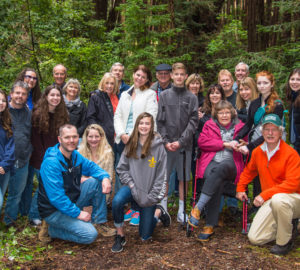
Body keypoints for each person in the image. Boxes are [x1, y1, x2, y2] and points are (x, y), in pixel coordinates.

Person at [236, 114, 300, 255]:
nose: (270, 133)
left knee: (279, 200)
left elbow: (293, 184)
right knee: (255, 238)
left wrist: (264, 195)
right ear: (262, 132)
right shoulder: (258, 152)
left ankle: (284, 242)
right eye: (266, 129)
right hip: (271, 200)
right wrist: (240, 188)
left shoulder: (291, 154)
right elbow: (248, 172)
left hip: (293, 199)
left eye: (274, 129)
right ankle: (288, 226)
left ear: (280, 132)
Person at [37, 124, 112, 244]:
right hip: (53, 209)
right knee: (90, 235)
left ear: (78, 138)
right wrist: (78, 214)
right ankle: (51, 229)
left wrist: (105, 177)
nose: (71, 141)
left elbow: (92, 167)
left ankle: (98, 222)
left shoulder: (75, 156)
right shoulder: (51, 163)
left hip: (71, 200)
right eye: (67, 137)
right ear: (59, 139)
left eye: (74, 137)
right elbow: (57, 198)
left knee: (96, 181)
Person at [111, 112, 170, 252]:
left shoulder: (159, 146)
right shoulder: (131, 143)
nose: (144, 126)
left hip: (149, 193)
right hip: (133, 187)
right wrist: (132, 185)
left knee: (145, 237)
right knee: (117, 201)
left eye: (147, 123)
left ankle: (157, 213)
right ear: (137, 125)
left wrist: (151, 198)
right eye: (141, 123)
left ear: (152, 126)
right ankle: (120, 234)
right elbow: (121, 169)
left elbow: (162, 176)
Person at [188, 101, 246, 241]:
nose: (224, 115)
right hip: (211, 161)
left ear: (232, 113)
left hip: (232, 163)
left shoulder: (240, 126)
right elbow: (202, 142)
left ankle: (198, 209)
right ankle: (209, 224)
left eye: (227, 112)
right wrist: (225, 144)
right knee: (216, 180)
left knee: (218, 172)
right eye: (221, 113)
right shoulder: (209, 124)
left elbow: (246, 143)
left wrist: (243, 145)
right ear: (216, 114)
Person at [114, 65, 158, 226]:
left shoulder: (150, 94)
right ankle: (133, 207)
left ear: (147, 80)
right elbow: (118, 116)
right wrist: (122, 134)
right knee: (126, 175)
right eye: (137, 75)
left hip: (141, 141)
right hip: (123, 140)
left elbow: (151, 116)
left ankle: (140, 208)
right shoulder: (125, 94)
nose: (139, 78)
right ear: (133, 75)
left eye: (143, 77)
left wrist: (135, 138)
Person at [232, 71, 284, 201]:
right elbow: (248, 124)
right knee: (256, 176)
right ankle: (256, 207)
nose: (262, 86)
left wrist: (249, 147)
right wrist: (235, 139)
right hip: (256, 143)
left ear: (271, 84)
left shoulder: (277, 105)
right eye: (259, 83)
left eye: (265, 83)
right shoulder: (255, 103)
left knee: (271, 177)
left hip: (272, 144)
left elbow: (271, 132)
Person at [157, 62, 198, 223]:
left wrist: (181, 142)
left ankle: (182, 210)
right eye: (177, 74)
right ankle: (163, 209)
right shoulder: (165, 96)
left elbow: (193, 121)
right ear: (172, 76)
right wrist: (166, 141)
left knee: (183, 178)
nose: (179, 77)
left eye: (182, 74)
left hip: (184, 146)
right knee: (165, 177)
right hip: (167, 145)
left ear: (186, 76)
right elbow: (160, 121)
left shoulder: (191, 97)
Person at [27, 85, 69, 225]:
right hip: (41, 158)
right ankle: (33, 216)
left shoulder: (62, 114)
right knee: (43, 186)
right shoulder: (37, 114)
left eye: (58, 96)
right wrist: (45, 159)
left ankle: (46, 213)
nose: (55, 98)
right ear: (46, 96)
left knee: (52, 187)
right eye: (52, 95)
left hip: (57, 157)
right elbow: (35, 140)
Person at [78, 124, 116, 237]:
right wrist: (87, 180)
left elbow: (108, 177)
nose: (93, 140)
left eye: (96, 136)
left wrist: (90, 179)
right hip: (81, 191)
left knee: (98, 182)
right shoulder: (79, 152)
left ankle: (99, 223)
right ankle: (78, 218)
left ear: (102, 137)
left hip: (100, 192)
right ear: (86, 137)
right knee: (94, 181)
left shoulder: (107, 153)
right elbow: (76, 177)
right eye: (90, 136)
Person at [4, 81, 32, 226]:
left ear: (27, 96)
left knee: (16, 194)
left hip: (22, 159)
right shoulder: (4, 111)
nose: (20, 96)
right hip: (4, 161)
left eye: (23, 94)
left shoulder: (28, 112)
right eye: (17, 93)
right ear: (11, 94)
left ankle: (9, 222)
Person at [86, 73, 119, 147]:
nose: (109, 86)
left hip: (116, 138)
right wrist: (98, 133)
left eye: (112, 83)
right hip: (101, 138)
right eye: (107, 83)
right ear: (102, 83)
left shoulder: (116, 97)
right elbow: (91, 118)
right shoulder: (95, 97)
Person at [0, 90, 15, 212]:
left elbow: (11, 146)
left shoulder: (7, 122)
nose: (1, 103)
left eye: (3, 100)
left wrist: (5, 165)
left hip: (5, 168)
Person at [285, 68, 300, 155]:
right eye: (292, 79)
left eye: (298, 79)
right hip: (296, 143)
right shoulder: (293, 97)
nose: (294, 82)